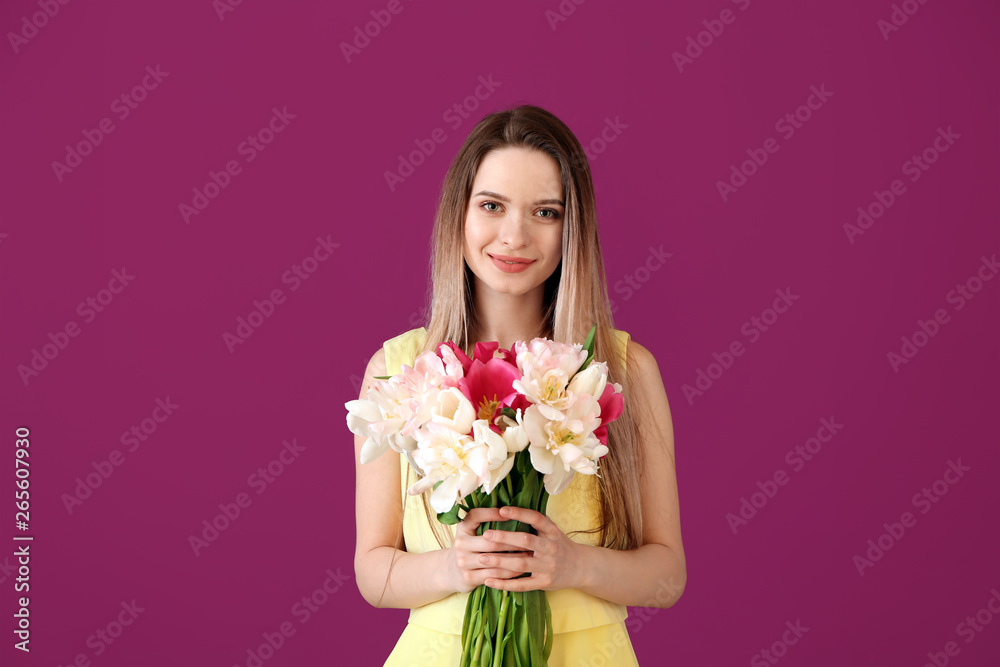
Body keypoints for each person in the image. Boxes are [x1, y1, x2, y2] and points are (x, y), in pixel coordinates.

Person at [353, 104, 685, 666]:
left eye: (546, 212)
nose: (514, 235)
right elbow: (371, 572)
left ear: (571, 229)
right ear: (459, 215)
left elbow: (667, 576)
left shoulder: (622, 371)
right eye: (491, 206)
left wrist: (574, 566)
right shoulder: (399, 370)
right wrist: (454, 568)